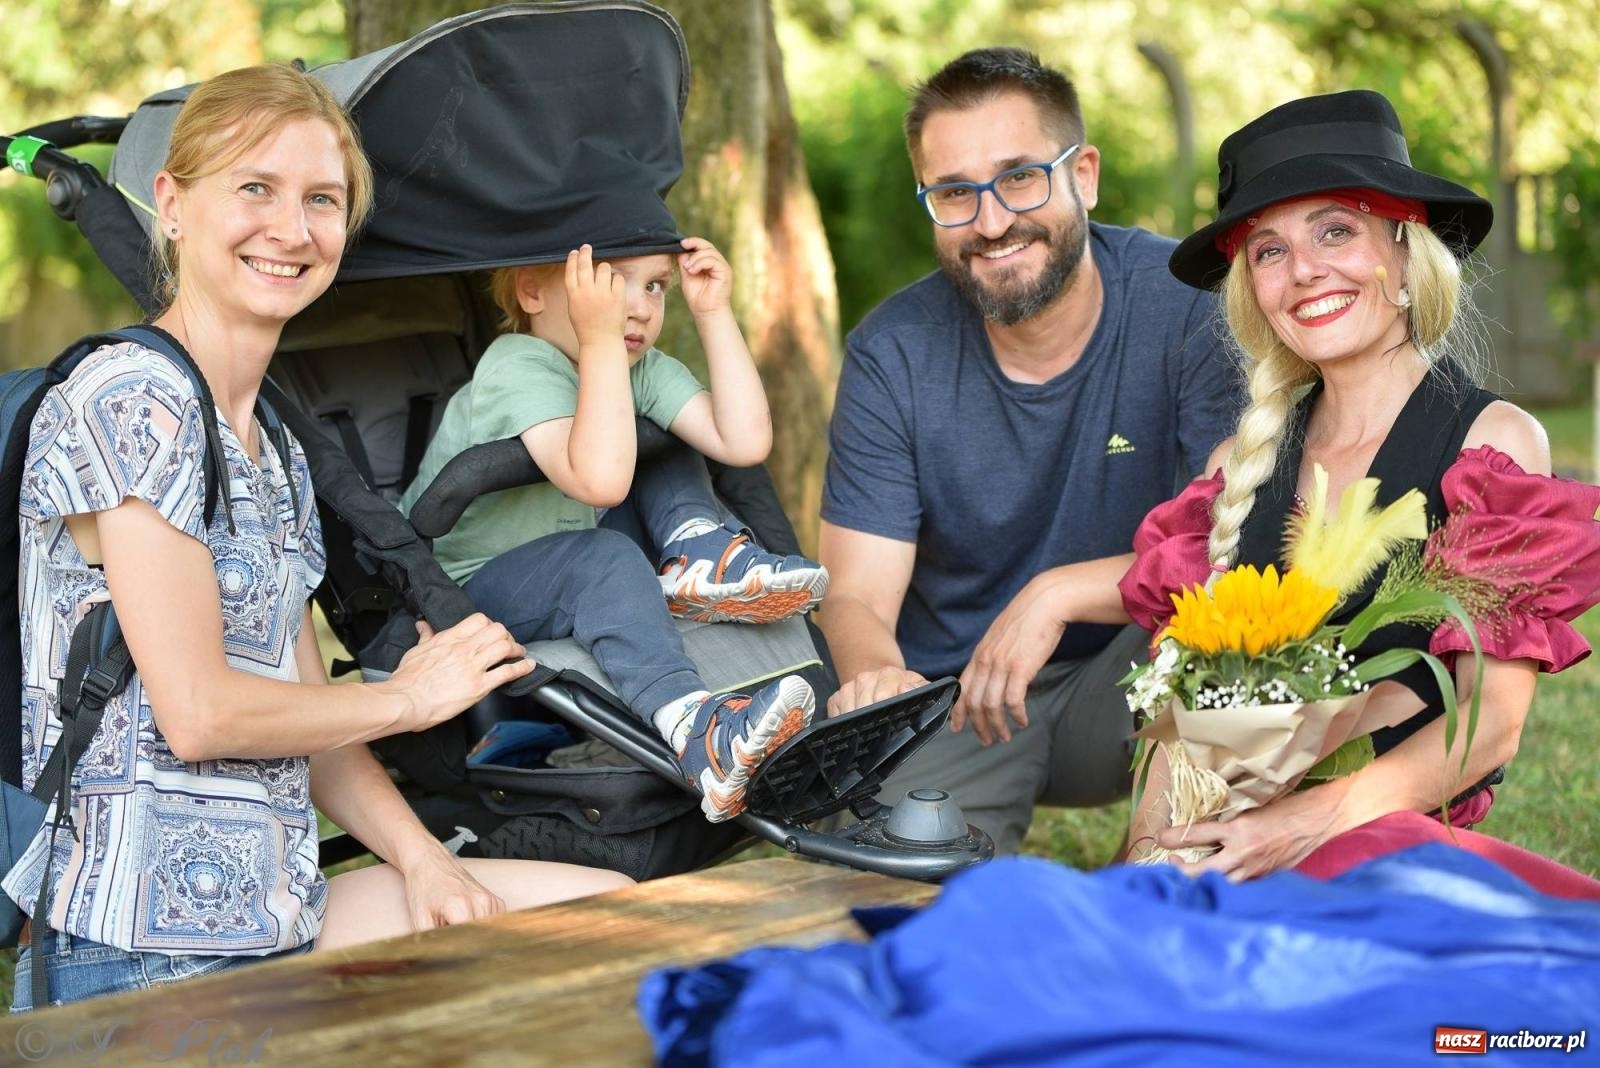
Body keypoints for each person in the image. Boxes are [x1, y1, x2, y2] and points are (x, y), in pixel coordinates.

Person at [4, 64, 634, 1011]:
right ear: (171, 205)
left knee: (612, 917)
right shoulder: (134, 400)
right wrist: (409, 699)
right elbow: (201, 714)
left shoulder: (273, 447)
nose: (292, 229)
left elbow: (313, 725)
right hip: (140, 953)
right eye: (255, 188)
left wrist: (424, 862)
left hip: (276, 912)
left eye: (322, 200)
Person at [1118, 89, 1600, 886]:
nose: (1304, 270)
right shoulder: (1238, 464)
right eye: (1269, 251)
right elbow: (1180, 723)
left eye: (1335, 230)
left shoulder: (1491, 446)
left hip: (1384, 849)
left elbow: (1490, 726)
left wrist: (1296, 827)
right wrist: (1150, 863)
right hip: (1223, 846)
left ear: (1407, 254)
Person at [818, 47, 1236, 853]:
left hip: (1133, 675)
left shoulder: (1188, 305)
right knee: (892, 894)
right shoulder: (891, 353)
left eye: (1019, 178)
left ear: (1083, 175)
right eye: (954, 192)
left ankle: (1158, 888)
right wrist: (879, 680)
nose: (990, 222)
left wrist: (1056, 595)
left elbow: (1231, 540)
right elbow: (857, 597)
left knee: (1236, 641)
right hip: (961, 699)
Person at [399, 231, 825, 823]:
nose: (640, 306)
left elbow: (742, 442)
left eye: (655, 286)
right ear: (531, 292)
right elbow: (599, 480)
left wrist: (712, 314)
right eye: (610, 282)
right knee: (606, 553)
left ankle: (699, 551)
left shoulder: (636, 365)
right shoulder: (515, 365)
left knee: (669, 440)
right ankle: (698, 732)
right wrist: (601, 341)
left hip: (568, 560)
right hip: (470, 586)